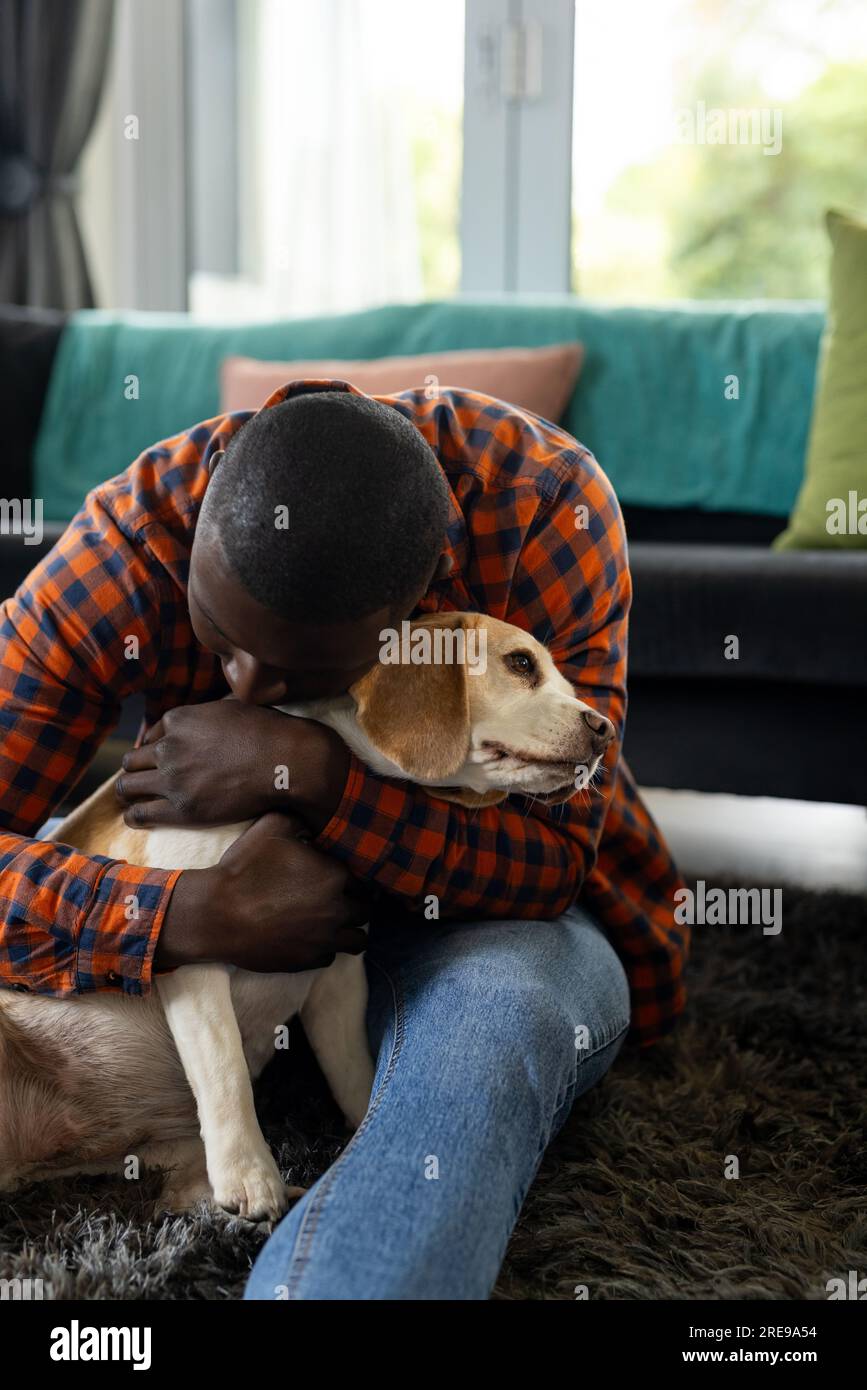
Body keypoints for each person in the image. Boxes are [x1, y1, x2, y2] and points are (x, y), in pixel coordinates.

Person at [0, 380, 688, 1300]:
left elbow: (554, 861)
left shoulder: (544, 504)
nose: (242, 690)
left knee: (490, 1045)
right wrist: (186, 912)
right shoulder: (128, 545)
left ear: (413, 624)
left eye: (295, 669)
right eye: (218, 635)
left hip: (483, 909)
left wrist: (314, 775)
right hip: (201, 912)